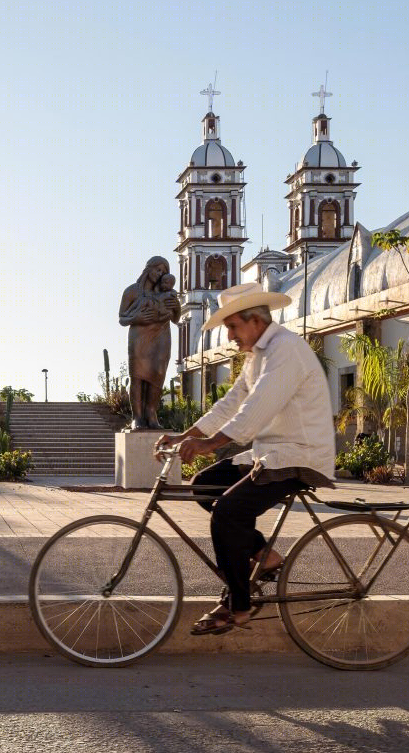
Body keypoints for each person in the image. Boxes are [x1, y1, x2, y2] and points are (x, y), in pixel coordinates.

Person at [155, 281, 336, 635]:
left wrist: (209, 446)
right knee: (205, 485)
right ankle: (266, 557)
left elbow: (255, 410)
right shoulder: (259, 355)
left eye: (234, 328)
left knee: (227, 513)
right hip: (272, 453)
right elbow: (232, 403)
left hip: (297, 457)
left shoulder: (285, 351)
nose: (232, 337)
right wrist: (186, 436)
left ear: (254, 320)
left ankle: (238, 606)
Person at [119, 257, 181, 430]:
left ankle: (151, 414)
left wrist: (177, 306)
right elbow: (122, 317)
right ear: (148, 269)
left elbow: (176, 319)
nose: (160, 274)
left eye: (163, 272)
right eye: (158, 270)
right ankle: (137, 418)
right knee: (137, 376)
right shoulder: (132, 291)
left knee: (158, 374)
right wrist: (136, 318)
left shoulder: (165, 293)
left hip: (162, 336)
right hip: (139, 337)